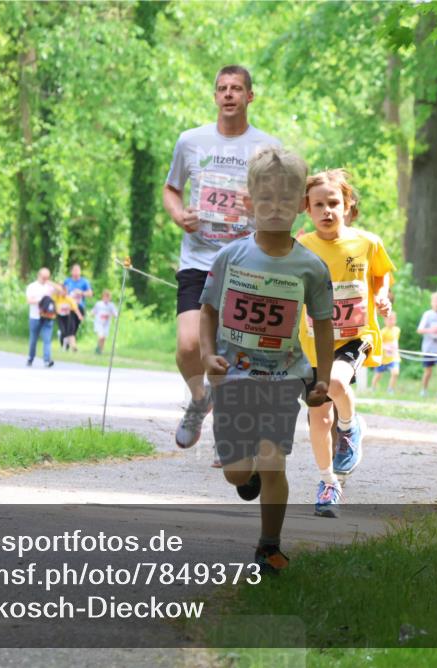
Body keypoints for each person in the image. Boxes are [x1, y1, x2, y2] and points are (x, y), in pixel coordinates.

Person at [198, 146, 333, 572]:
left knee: (275, 460)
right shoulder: (231, 257)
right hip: (234, 377)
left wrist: (322, 380)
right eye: (266, 199)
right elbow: (208, 311)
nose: (275, 208)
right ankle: (247, 472)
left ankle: (268, 547)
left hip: (283, 377)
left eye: (285, 200)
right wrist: (207, 355)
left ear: (300, 205)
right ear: (248, 202)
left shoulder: (310, 267)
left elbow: (324, 325)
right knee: (237, 474)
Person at [163, 64, 282, 450]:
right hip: (198, 260)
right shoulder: (190, 141)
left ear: (250, 96)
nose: (228, 94)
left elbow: (283, 205)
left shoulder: (267, 148)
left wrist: (259, 208)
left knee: (236, 352)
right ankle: (200, 400)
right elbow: (171, 189)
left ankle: (229, 430)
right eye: (221, 88)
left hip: (248, 262)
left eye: (236, 88)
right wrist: (180, 215)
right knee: (187, 346)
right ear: (215, 97)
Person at [297, 169, 394, 518]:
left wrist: (382, 297)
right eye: (318, 204)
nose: (327, 210)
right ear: (307, 209)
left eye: (333, 203)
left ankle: (350, 426)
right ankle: (328, 482)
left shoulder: (366, 242)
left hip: (355, 336)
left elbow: (381, 273)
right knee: (318, 416)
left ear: (348, 204)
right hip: (311, 343)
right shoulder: (301, 246)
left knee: (336, 382)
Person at [26, 268, 59, 367]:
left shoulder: (49, 287)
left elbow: (61, 290)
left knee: (47, 340)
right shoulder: (32, 286)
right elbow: (29, 301)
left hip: (47, 317)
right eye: (44, 277)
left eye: (47, 277)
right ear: (39, 275)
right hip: (35, 317)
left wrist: (51, 283)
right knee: (33, 340)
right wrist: (41, 301)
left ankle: (47, 360)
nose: (45, 279)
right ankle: (30, 358)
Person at [371, 311, 400, 394]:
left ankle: (390, 389)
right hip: (383, 358)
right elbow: (378, 343)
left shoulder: (397, 330)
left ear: (395, 320)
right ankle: (373, 388)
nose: (391, 321)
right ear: (385, 320)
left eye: (392, 319)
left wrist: (395, 348)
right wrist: (386, 347)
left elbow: (395, 341)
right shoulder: (382, 332)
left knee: (395, 373)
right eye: (389, 319)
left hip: (394, 357)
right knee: (378, 375)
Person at [55, 285, 83, 352]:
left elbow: (75, 308)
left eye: (65, 291)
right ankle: (63, 346)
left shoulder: (69, 299)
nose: (63, 293)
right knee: (63, 331)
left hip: (67, 317)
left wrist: (79, 315)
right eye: (61, 291)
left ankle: (69, 346)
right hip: (60, 317)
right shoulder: (57, 298)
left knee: (68, 332)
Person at [92, 289, 118, 354]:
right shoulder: (99, 304)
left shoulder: (111, 305)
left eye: (108, 297)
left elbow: (115, 313)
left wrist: (114, 315)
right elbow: (94, 311)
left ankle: (101, 350)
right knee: (101, 336)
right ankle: (98, 348)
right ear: (102, 297)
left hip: (106, 324)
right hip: (99, 323)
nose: (106, 299)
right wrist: (92, 314)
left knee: (104, 338)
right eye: (105, 297)